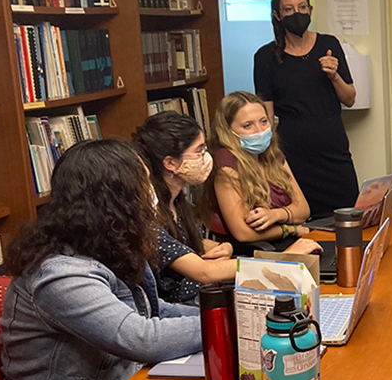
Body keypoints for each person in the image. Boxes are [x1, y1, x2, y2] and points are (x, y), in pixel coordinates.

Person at [0, 140, 203, 380]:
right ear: (114, 199)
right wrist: (229, 320)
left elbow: (152, 310)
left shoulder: (102, 244)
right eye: (143, 183)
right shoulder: (58, 273)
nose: (152, 193)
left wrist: (226, 311)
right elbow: (142, 337)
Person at [134, 112, 320, 303]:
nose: (206, 157)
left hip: (206, 294)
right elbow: (204, 272)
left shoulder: (177, 201)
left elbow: (184, 241)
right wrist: (283, 259)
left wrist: (226, 247)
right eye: (199, 151)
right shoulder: (149, 216)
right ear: (171, 163)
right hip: (186, 307)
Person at [254, 0, 359, 219]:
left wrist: (333, 76)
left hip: (333, 148)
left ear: (310, 10)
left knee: (349, 217)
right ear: (277, 15)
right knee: (303, 219)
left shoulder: (328, 44)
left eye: (302, 7)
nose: (297, 14)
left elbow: (350, 99)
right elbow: (266, 117)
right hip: (293, 153)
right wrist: (267, 162)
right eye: (289, 10)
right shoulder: (265, 57)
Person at [207, 90, 322, 251]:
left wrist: (276, 215)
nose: (259, 130)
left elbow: (303, 209)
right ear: (227, 131)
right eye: (248, 125)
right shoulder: (225, 165)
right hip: (258, 251)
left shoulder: (272, 154)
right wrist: (291, 228)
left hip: (289, 242)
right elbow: (243, 234)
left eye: (263, 121)